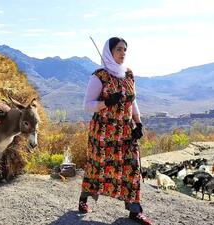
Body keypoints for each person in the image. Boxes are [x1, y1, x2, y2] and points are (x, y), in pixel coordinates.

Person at [79, 37, 152, 225]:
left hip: (126, 132)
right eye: (119, 49)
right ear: (109, 52)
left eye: (125, 50)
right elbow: (87, 106)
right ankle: (84, 198)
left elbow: (132, 101)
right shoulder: (99, 76)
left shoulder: (128, 74)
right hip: (102, 133)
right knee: (97, 166)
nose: (123, 53)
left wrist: (139, 124)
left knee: (131, 168)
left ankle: (135, 210)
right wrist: (107, 102)